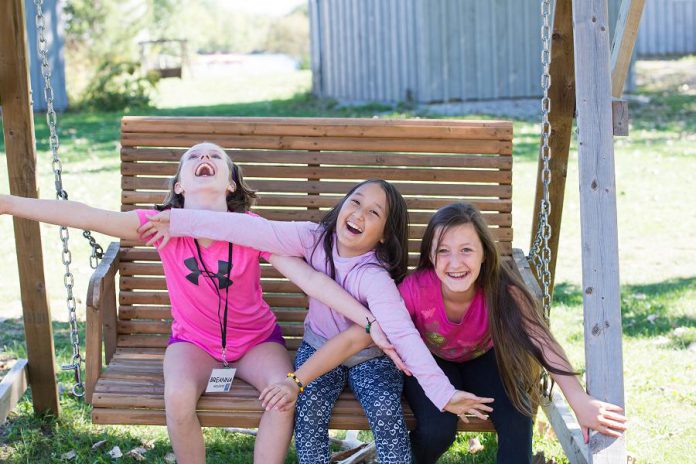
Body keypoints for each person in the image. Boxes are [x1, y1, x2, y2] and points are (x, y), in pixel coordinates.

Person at [0, 143, 404, 464]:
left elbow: (310, 279)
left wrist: (368, 321)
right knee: (177, 396)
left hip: (256, 341)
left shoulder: (251, 230)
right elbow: (85, 214)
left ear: (230, 184)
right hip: (192, 342)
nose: (205, 158)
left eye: (216, 156)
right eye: (194, 156)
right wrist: (8, 204)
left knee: (282, 396)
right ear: (179, 186)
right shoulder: (160, 224)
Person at [139, 179, 494, 464]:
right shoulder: (312, 239)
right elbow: (245, 230)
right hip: (317, 349)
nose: (359, 213)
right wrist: (179, 220)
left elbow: (402, 333)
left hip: (370, 359)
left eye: (374, 212)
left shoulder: (374, 277)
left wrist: (443, 394)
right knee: (307, 413)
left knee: (387, 413)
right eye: (355, 202)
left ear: (385, 233)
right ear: (341, 207)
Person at [397, 203, 628, 463]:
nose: (455, 262)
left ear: (484, 253)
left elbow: (542, 341)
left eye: (466, 250)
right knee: (437, 431)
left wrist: (578, 399)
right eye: (443, 251)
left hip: (484, 358)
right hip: (430, 362)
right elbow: (392, 332)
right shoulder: (414, 290)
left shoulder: (502, 289)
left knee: (518, 416)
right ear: (430, 254)